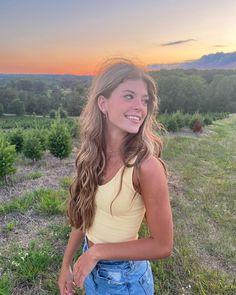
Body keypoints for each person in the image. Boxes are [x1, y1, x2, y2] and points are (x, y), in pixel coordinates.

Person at [58, 58, 173, 295]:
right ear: (103, 103)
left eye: (145, 100)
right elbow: (83, 216)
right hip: (91, 267)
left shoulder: (146, 167)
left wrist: (98, 252)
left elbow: (163, 245)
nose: (140, 107)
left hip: (125, 281)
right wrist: (65, 264)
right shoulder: (91, 156)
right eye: (129, 96)